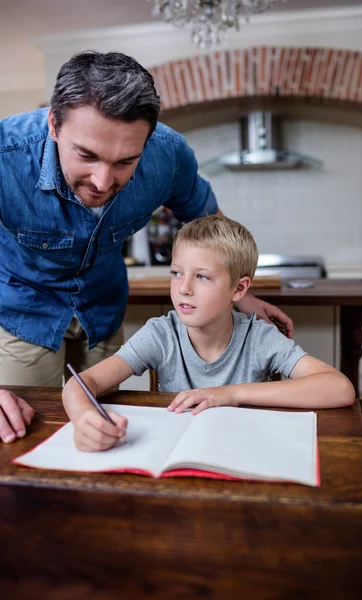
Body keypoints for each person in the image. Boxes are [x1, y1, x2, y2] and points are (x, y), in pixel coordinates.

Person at [0, 51, 293, 444]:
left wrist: (241, 296)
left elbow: (211, 226)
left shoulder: (168, 156)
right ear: (54, 124)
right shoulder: (6, 157)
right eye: (86, 155)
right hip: (22, 309)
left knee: (108, 432)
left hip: (103, 310)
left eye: (125, 162)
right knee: (23, 434)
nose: (103, 182)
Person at [62, 215, 355, 452]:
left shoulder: (259, 338)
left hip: (245, 450)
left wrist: (230, 394)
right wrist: (84, 417)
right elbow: (83, 383)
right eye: (176, 273)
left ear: (239, 289)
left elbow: (339, 388)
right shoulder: (161, 333)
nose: (184, 288)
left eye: (201, 276)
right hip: (174, 451)